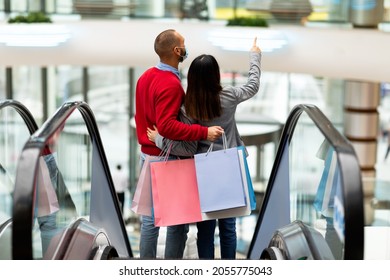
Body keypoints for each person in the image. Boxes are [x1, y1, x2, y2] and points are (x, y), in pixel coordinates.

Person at [147, 37, 262, 259]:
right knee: (228, 228)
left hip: (201, 171)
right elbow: (253, 85)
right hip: (230, 168)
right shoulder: (229, 96)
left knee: (205, 230)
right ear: (216, 75)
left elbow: (181, 141)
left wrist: (159, 139)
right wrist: (255, 55)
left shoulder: (188, 106)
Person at [134, 29, 224, 259]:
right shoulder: (171, 85)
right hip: (166, 159)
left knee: (149, 222)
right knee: (177, 223)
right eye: (183, 44)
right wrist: (203, 131)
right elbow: (167, 126)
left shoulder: (145, 76)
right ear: (177, 51)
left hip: (146, 155)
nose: (186, 47)